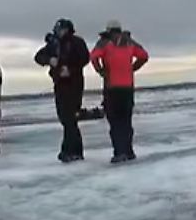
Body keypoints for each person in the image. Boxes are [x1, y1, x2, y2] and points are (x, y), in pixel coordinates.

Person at [89, 20, 149, 163]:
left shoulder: (104, 42)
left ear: (108, 30)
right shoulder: (129, 42)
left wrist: (101, 71)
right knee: (126, 121)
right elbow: (144, 56)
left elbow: (93, 57)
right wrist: (133, 68)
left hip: (112, 87)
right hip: (128, 87)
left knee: (115, 122)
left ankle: (119, 152)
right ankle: (129, 151)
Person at [35, 18, 90, 163]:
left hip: (74, 83)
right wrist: (50, 60)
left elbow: (85, 58)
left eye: (61, 29)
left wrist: (70, 69)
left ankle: (71, 150)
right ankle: (72, 150)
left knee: (70, 117)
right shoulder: (54, 44)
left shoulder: (77, 42)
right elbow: (38, 57)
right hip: (60, 83)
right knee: (65, 117)